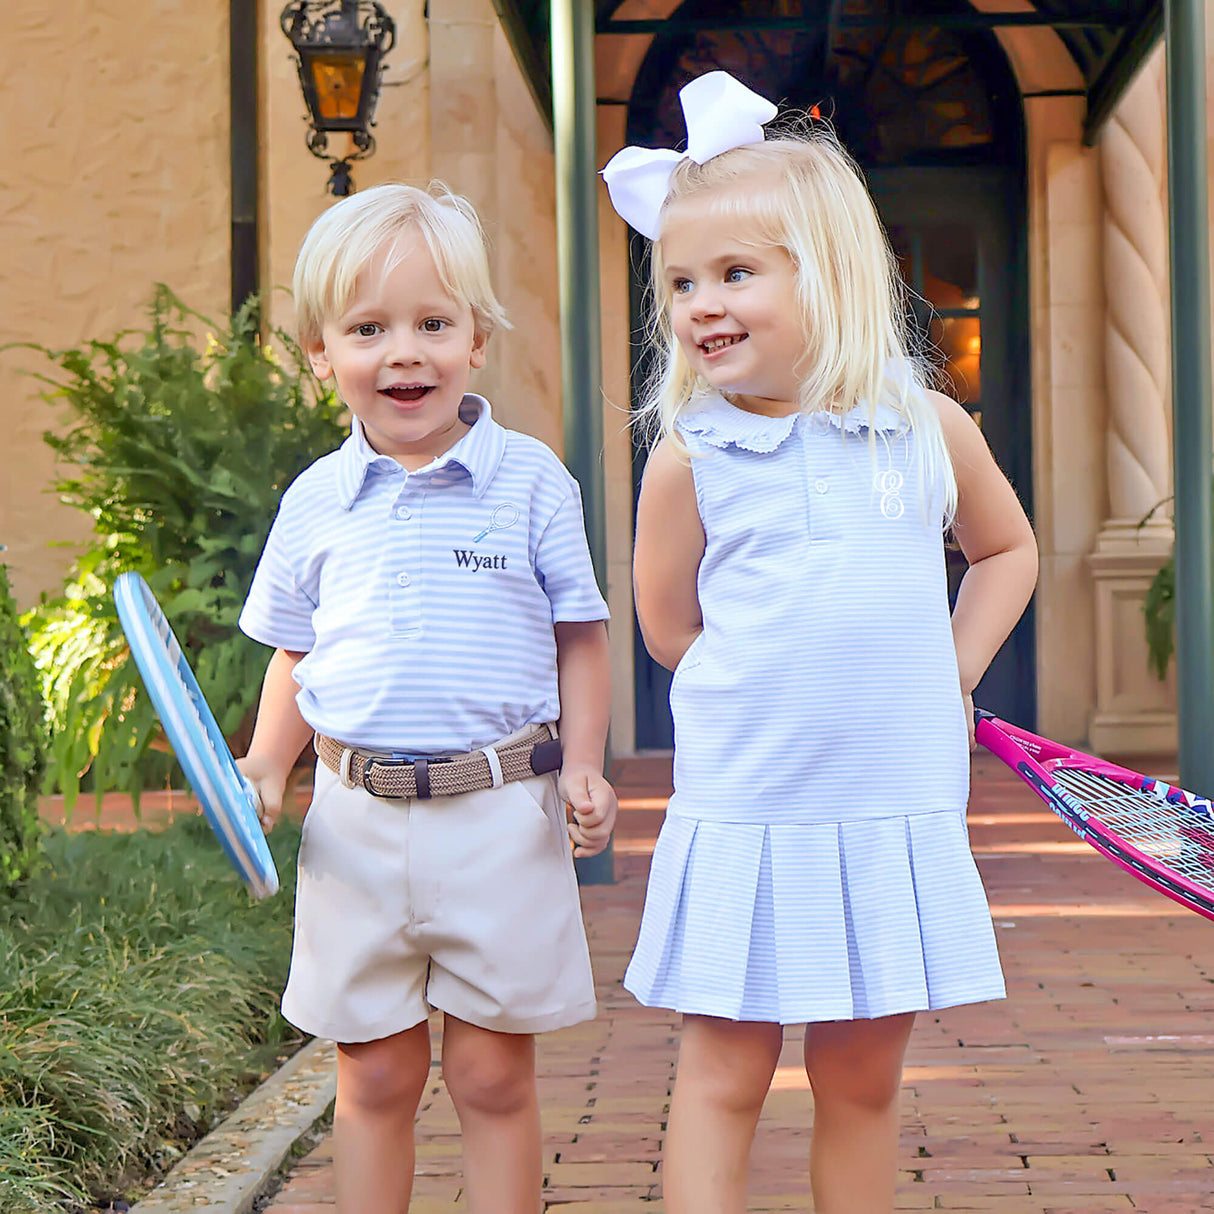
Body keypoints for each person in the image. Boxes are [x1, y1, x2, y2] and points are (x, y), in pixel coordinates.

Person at [602, 72, 1038, 1214]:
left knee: (861, 1077)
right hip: (748, 805)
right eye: (681, 282)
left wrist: (948, 668)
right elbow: (670, 626)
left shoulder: (923, 426)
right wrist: (767, 691)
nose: (702, 304)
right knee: (724, 1072)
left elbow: (1005, 551)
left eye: (735, 273)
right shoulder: (690, 457)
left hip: (889, 802)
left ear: (829, 273)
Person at [236, 182, 617, 1214]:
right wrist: (267, 764)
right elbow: (296, 652)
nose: (403, 353)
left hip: (499, 814)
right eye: (368, 329)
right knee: (373, 1076)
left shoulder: (531, 481)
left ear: (477, 340)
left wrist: (584, 764)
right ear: (321, 353)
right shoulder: (314, 501)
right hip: (353, 826)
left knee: (491, 1075)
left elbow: (579, 635)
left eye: (433, 325)